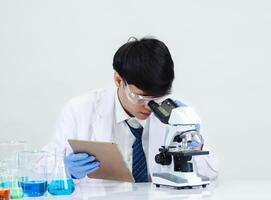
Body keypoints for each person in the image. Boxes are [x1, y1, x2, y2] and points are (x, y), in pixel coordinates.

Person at [43, 37, 219, 182]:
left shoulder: (180, 116)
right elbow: (43, 167)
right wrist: (64, 170)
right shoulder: (80, 109)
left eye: (157, 98)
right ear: (119, 80)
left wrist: (196, 149)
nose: (148, 106)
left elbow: (211, 173)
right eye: (140, 97)